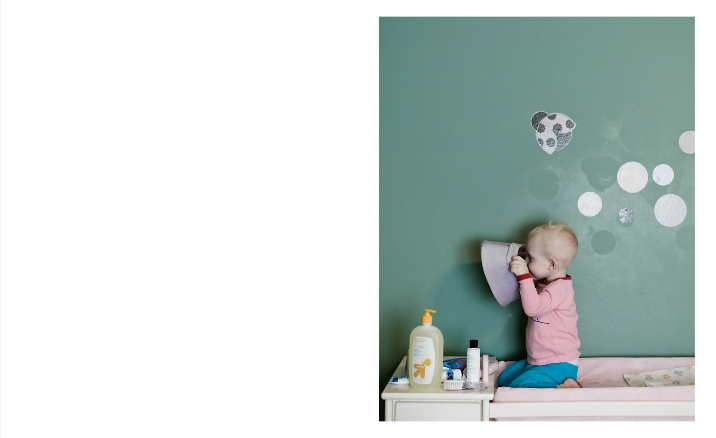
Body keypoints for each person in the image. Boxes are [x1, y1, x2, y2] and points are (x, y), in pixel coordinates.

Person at [497, 221, 582, 389]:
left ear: (552, 264)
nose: (527, 262)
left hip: (558, 363)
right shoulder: (546, 281)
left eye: (531, 258)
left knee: (519, 386)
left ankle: (566, 388)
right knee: (503, 380)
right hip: (539, 360)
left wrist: (524, 276)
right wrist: (526, 253)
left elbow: (533, 308)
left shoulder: (559, 289)